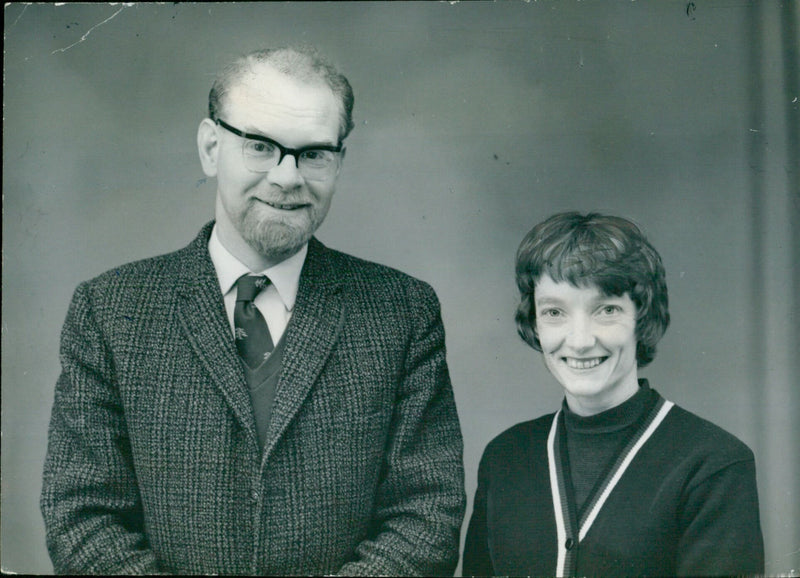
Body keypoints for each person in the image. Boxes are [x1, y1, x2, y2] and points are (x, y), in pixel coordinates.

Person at [40, 46, 466, 576]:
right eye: (261, 147)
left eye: (313, 154)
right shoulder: (109, 311)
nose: (288, 177)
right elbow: (81, 517)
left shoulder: (402, 311)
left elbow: (426, 514)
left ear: (339, 162)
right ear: (211, 147)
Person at [462, 212, 764, 577]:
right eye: (554, 311)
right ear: (535, 324)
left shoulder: (713, 463)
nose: (580, 340)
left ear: (643, 317)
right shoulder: (504, 457)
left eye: (606, 310)